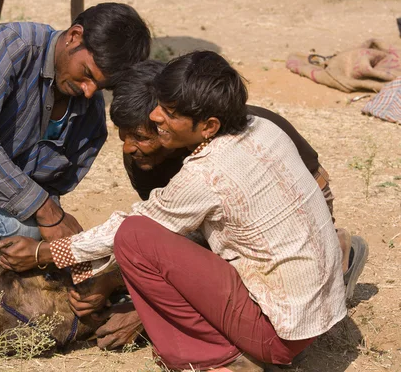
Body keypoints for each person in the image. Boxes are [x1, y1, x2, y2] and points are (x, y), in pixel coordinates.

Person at [0, 51, 348, 370]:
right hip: (314, 316)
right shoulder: (263, 128)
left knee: (134, 237)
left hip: (278, 335)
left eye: (170, 113)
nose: (155, 115)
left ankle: (218, 359)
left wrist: (46, 253)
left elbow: (132, 230)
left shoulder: (207, 171)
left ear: (208, 126)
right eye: (161, 105)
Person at [110, 60, 368, 300]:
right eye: (123, 136)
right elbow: (162, 223)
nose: (128, 148)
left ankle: (333, 257)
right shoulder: (145, 156)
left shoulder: (235, 144)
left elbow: (248, 235)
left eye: (141, 137)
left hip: (288, 210)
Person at [0, 2, 151, 249]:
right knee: (18, 229)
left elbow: (52, 187)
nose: (89, 91)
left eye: (100, 86)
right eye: (88, 74)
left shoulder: (89, 115)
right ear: (74, 36)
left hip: (4, 204)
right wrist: (44, 211)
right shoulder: (12, 45)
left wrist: (52, 224)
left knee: (45, 237)